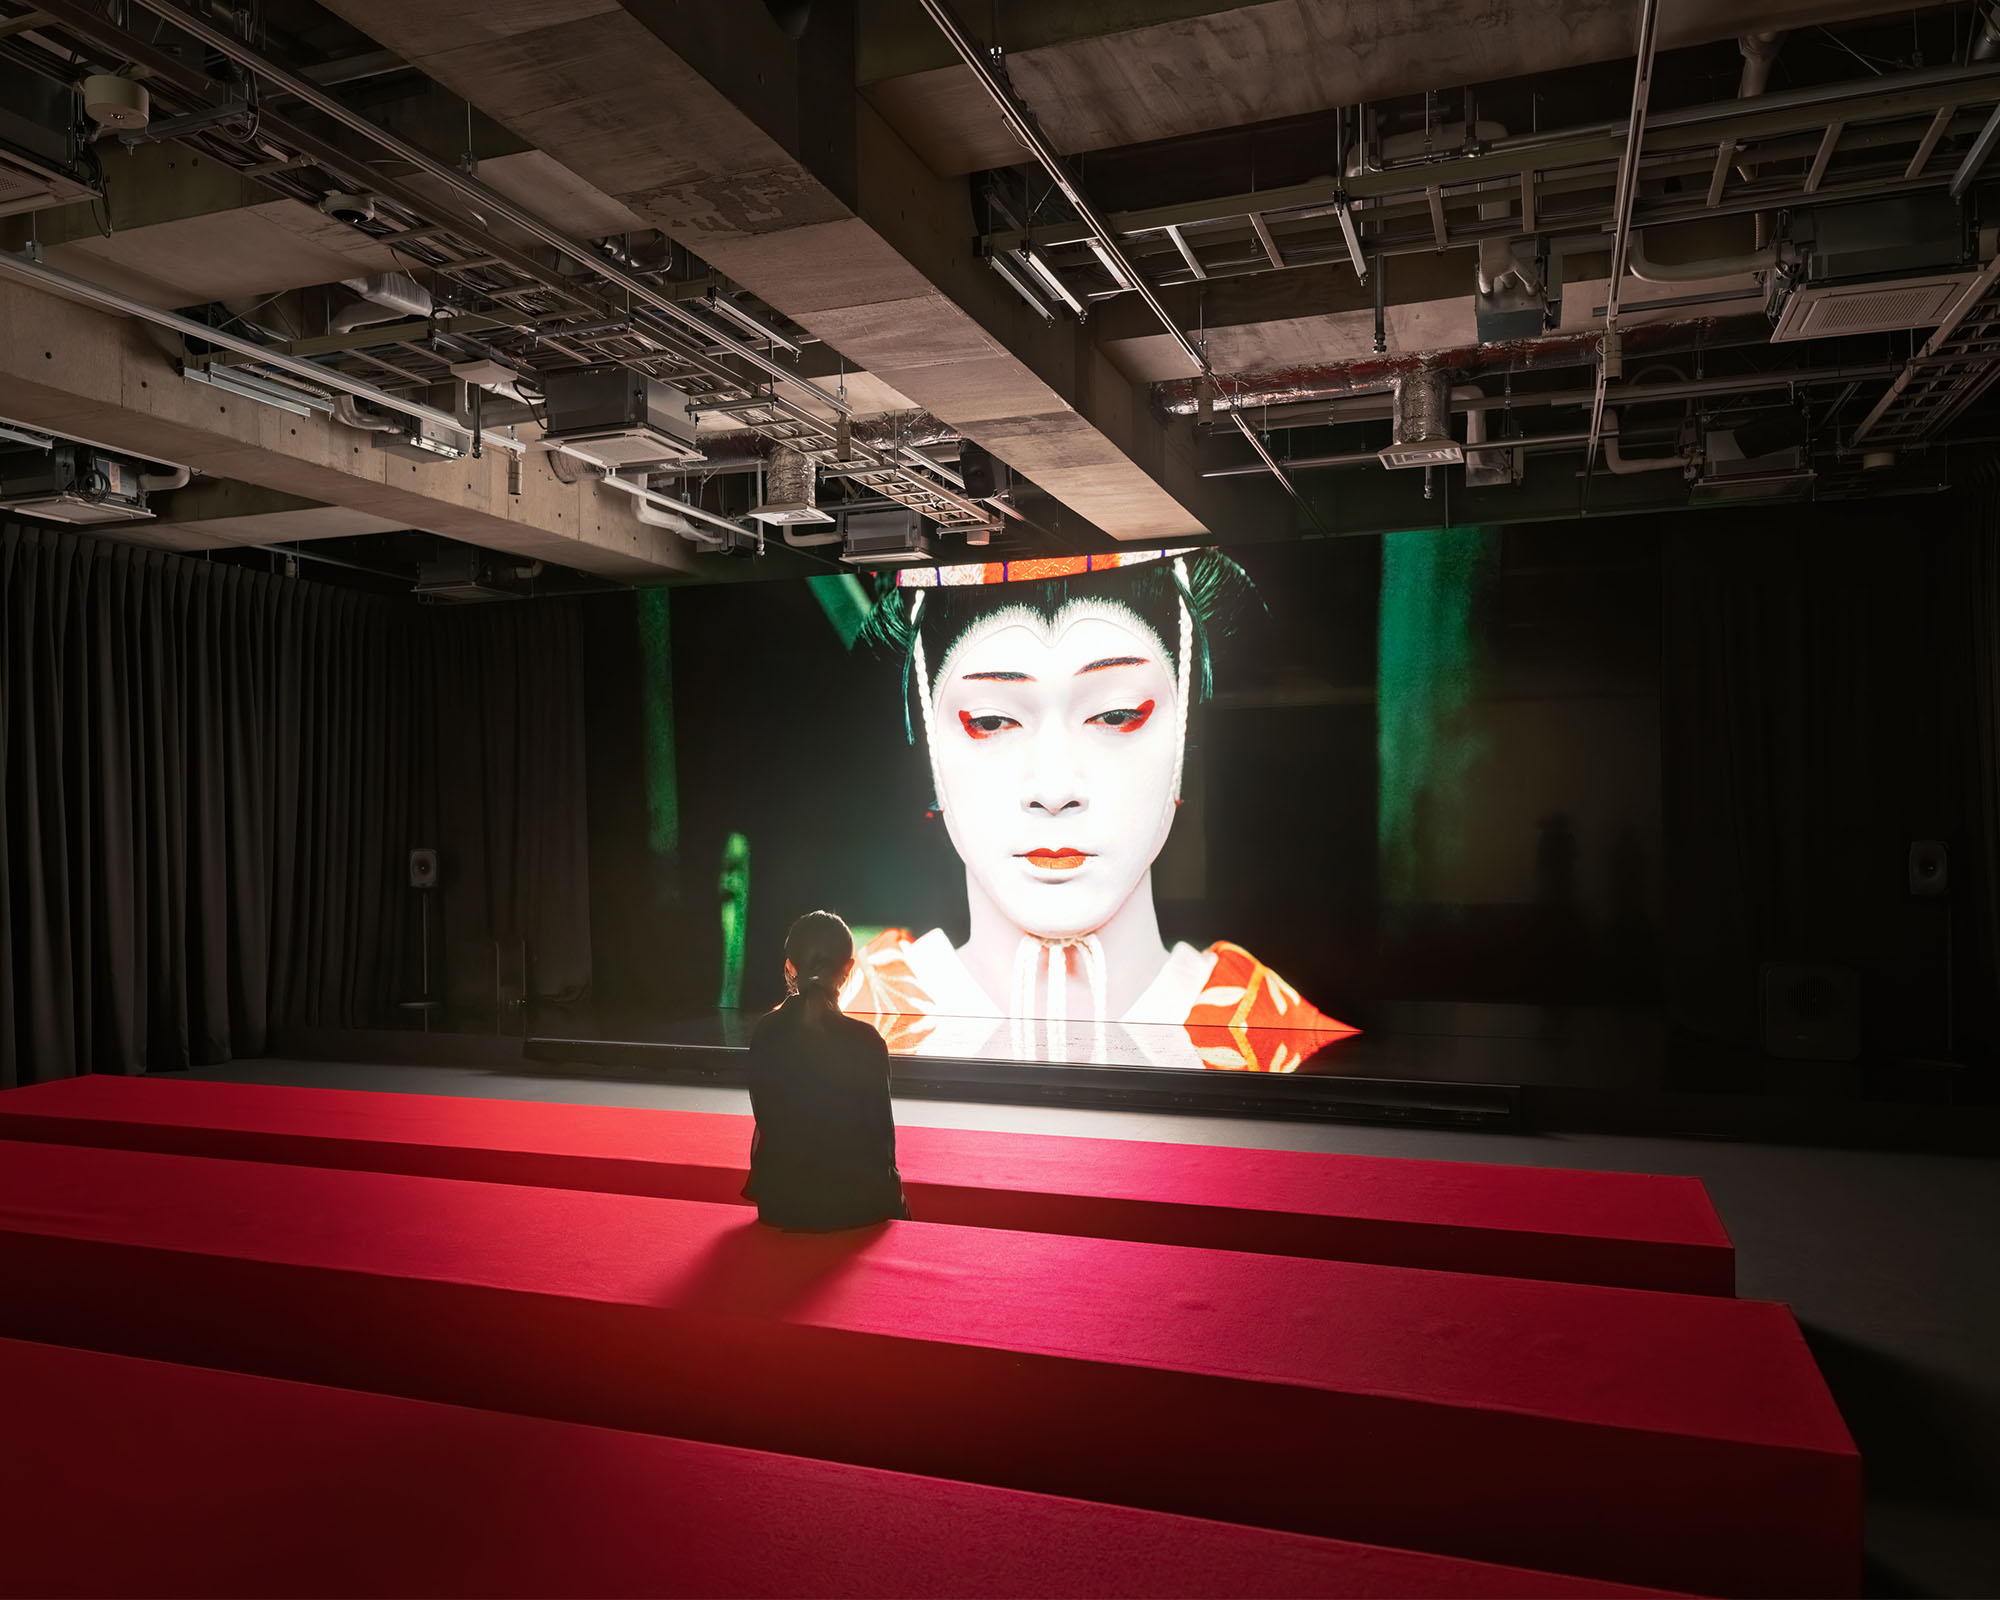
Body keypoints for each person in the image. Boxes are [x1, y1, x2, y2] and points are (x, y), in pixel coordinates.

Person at [843, 550, 1357, 1072]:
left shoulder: (1284, 1038)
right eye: (991, 722)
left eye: (1116, 715)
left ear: (1187, 739)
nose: (1054, 788)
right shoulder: (850, 1020)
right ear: (928, 746)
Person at [744, 910, 909, 1230]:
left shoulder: (766, 1033)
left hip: (782, 1206)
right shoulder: (867, 1041)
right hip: (855, 1209)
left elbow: (767, 1123)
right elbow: (880, 1144)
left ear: (790, 967)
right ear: (848, 968)